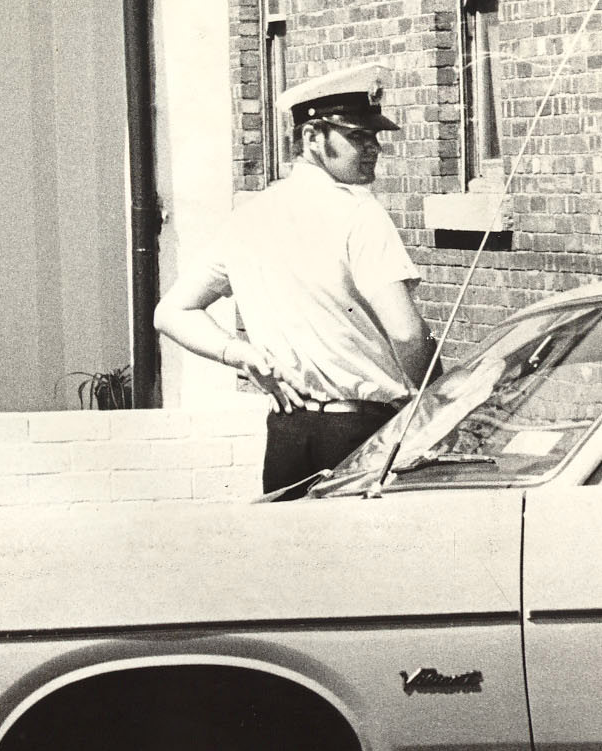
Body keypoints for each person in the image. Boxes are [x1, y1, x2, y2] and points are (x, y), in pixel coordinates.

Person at [156, 63, 437, 496]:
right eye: (357, 137)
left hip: (288, 437)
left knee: (293, 561)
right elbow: (406, 332)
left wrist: (238, 354)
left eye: (375, 137)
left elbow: (172, 312)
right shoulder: (360, 213)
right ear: (311, 138)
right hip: (361, 435)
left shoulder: (248, 218)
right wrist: (437, 402)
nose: (373, 148)